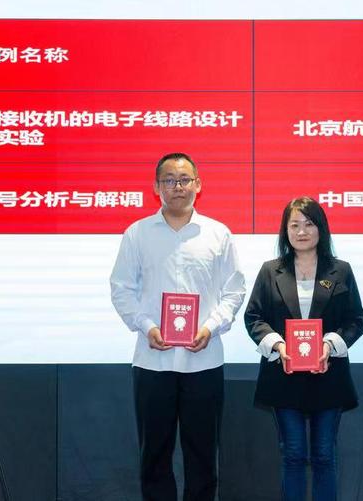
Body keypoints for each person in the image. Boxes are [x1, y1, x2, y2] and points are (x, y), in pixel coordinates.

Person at [110, 152, 246, 501]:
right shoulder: (137, 234)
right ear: (156, 187)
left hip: (204, 362)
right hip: (152, 363)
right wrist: (146, 326)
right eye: (169, 180)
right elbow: (121, 288)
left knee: (203, 456)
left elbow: (234, 290)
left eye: (184, 179)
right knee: (154, 456)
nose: (177, 186)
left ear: (198, 185)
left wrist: (211, 326)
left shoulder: (218, 234)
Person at [245, 196, 363, 501]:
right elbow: (254, 317)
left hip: (328, 375)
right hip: (283, 375)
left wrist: (329, 344)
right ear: (285, 231)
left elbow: (355, 320)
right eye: (294, 225)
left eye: (309, 224)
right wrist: (278, 344)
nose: (301, 231)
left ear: (321, 228)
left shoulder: (341, 270)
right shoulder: (270, 270)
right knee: (294, 454)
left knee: (324, 455)